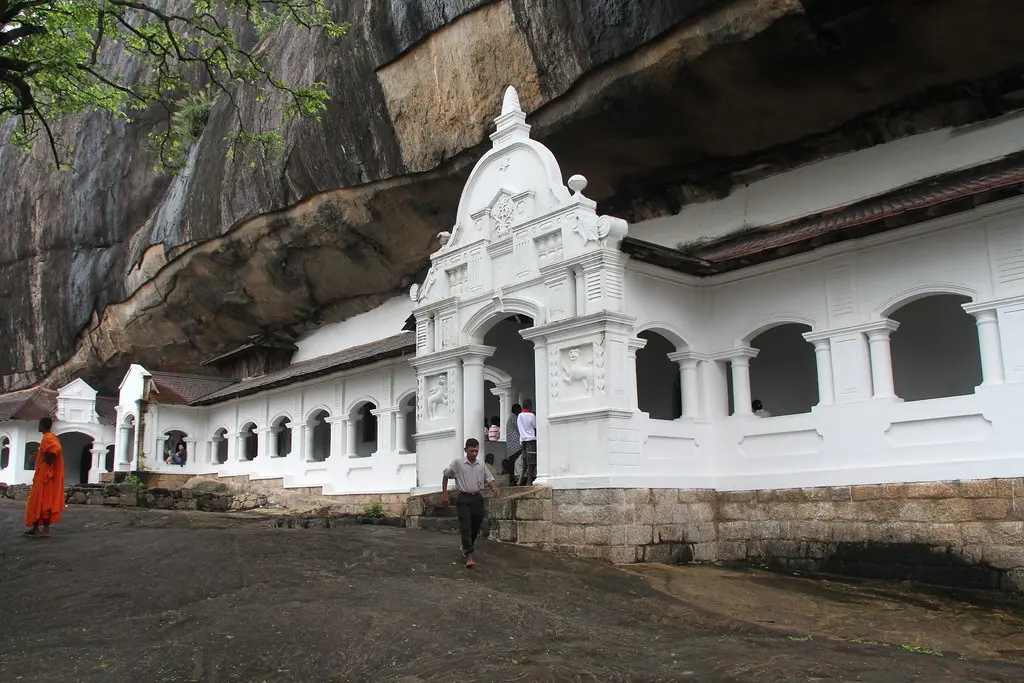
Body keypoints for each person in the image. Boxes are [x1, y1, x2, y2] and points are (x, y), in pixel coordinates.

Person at [441, 438, 499, 568]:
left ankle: (466, 545)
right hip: (463, 499)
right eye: (471, 450)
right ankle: (468, 555)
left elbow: (489, 478)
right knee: (465, 526)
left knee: (476, 524)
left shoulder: (481, 465)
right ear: (465, 450)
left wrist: (494, 488)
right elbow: (446, 475)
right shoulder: (458, 463)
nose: (474, 453)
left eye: (476, 451)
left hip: (477, 498)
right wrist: (445, 493)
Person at [24, 417, 65, 538]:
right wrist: (38, 456)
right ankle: (35, 527)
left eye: (39, 424)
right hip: (42, 475)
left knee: (43, 501)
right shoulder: (48, 438)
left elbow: (54, 450)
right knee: (37, 501)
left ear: (43, 425)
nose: (38, 427)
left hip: (45, 476)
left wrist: (47, 463)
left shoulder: (48, 438)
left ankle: (44, 529)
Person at [517, 399, 537, 486]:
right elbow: (535, 426)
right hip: (531, 440)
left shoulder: (519, 416)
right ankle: (529, 482)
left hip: (523, 441)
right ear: (530, 406)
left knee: (525, 461)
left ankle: (520, 480)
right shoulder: (531, 415)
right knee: (531, 462)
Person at [505, 403, 522, 486]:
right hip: (515, 446)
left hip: (512, 447)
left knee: (515, 464)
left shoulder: (511, 418)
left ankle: (515, 481)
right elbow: (520, 428)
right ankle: (516, 481)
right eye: (519, 410)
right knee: (517, 464)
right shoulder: (514, 418)